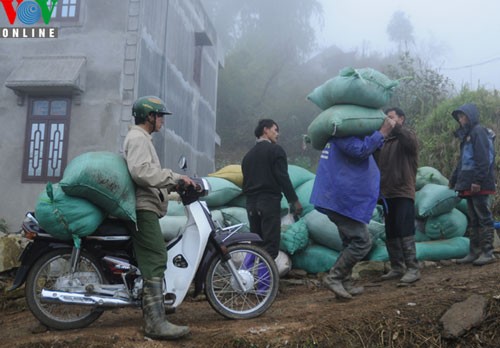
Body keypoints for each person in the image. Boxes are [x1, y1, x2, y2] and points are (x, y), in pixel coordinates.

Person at [123, 96, 195, 340]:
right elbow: (142, 172)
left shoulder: (143, 138)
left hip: (148, 205)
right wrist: (174, 178)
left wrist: (171, 186)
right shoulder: (137, 138)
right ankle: (155, 323)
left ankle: (155, 311)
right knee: (155, 257)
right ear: (149, 117)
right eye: (160, 115)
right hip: (144, 209)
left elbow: (148, 175)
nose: (162, 120)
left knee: (155, 255)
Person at [310, 117, 395, 300]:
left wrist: (377, 137)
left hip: (341, 200)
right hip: (340, 200)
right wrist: (382, 132)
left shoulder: (344, 136)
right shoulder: (343, 136)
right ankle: (335, 277)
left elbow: (366, 146)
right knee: (362, 241)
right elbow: (361, 150)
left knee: (349, 241)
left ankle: (345, 281)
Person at [241, 119, 303, 260]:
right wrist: (294, 201)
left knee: (255, 245)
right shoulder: (276, 150)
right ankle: (265, 282)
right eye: (275, 130)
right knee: (270, 247)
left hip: (251, 204)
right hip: (268, 202)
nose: (277, 134)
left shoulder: (247, 157)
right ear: (265, 130)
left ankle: (247, 278)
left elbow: (246, 183)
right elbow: (283, 177)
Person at [449, 103, 496, 266]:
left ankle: (488, 252)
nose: (461, 119)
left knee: (483, 216)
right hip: (468, 183)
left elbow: (484, 159)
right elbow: (463, 161)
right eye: (459, 117)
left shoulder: (478, 132)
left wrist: (477, 181)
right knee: (473, 218)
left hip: (479, 184)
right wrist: (454, 179)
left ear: (471, 116)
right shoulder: (467, 135)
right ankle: (474, 251)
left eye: (463, 116)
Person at [377, 107, 420, 283]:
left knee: (405, 229)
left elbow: (409, 142)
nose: (387, 120)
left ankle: (413, 268)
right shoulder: (384, 142)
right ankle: (397, 267)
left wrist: (396, 127)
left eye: (391, 117)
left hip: (403, 191)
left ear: (401, 119)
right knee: (391, 230)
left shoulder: (407, 137)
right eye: (386, 118)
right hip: (387, 193)